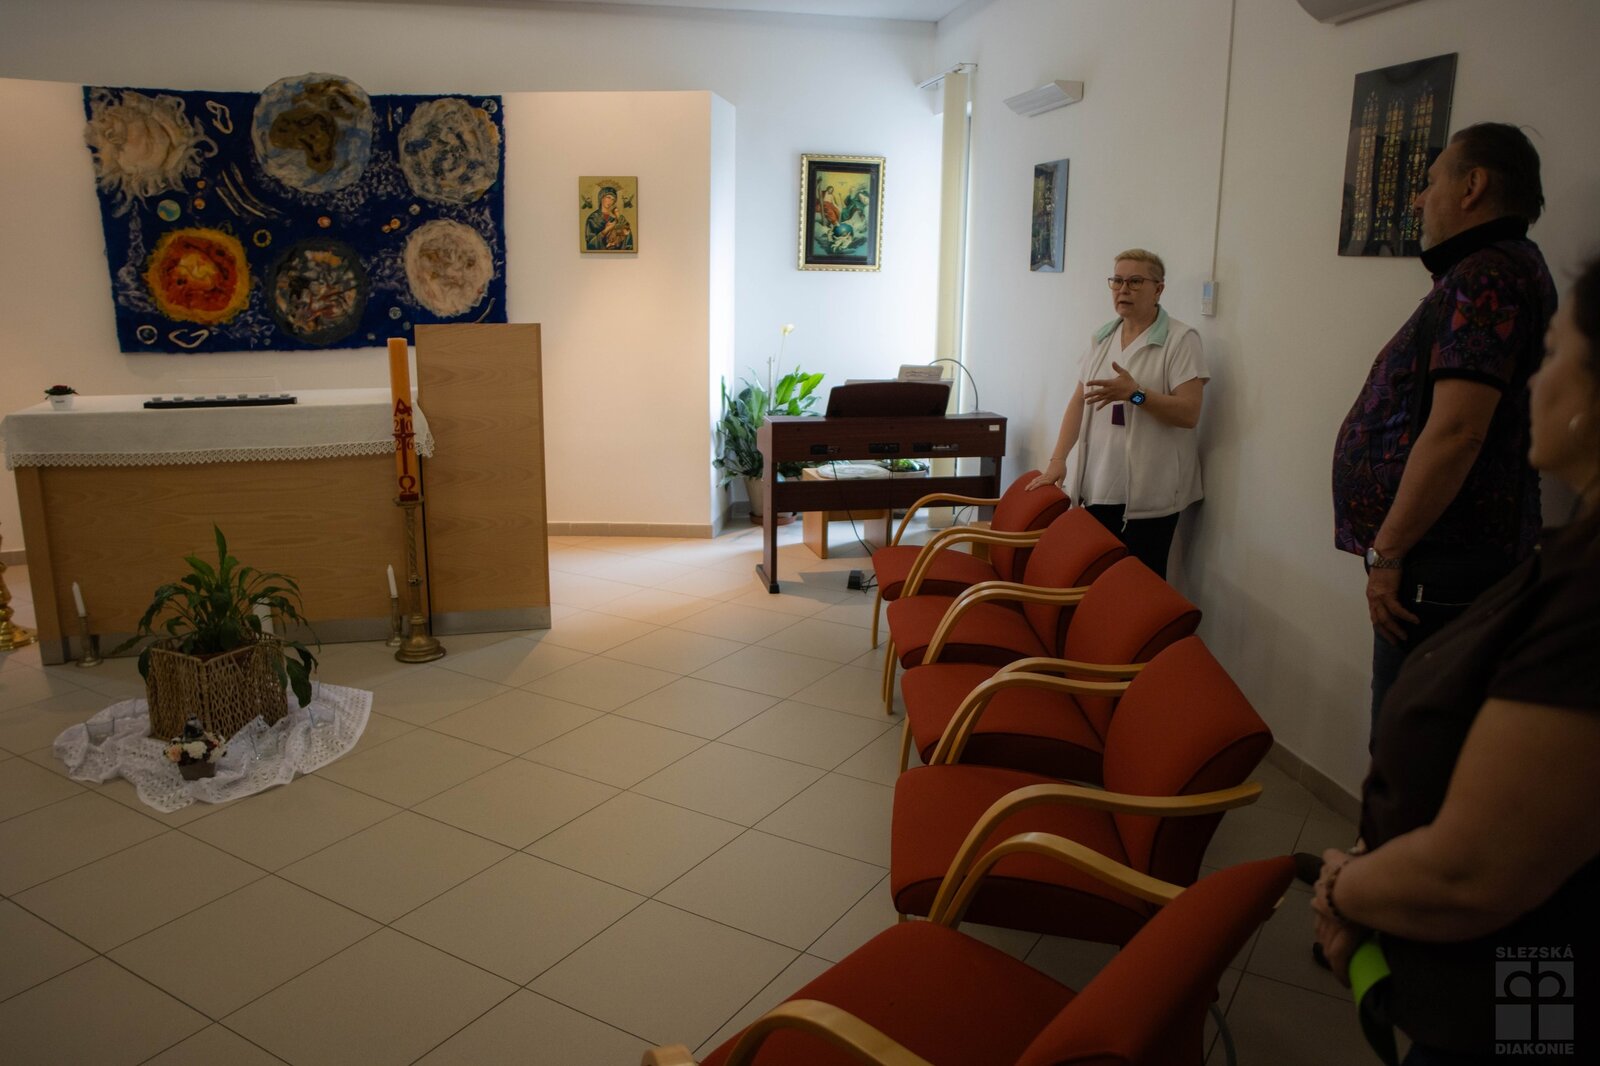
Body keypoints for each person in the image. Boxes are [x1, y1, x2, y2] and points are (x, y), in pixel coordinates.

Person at [1310, 254, 1600, 1064]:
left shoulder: (1587, 606)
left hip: (1522, 991)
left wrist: (1343, 889)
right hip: (1490, 973)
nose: (1532, 381)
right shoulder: (1566, 558)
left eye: (1555, 354)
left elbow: (1473, 873)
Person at [1331, 123, 1557, 746]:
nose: (1418, 199)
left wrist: (1388, 554)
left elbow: (1458, 430)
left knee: (1407, 745)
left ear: (1472, 186)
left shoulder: (1486, 276)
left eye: (1430, 182)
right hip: (1460, 556)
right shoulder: (1505, 267)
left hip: (1445, 563)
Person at [1028, 248, 1207, 578]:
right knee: (1094, 581)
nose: (1123, 289)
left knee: (1139, 585)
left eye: (1135, 281)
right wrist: (1058, 460)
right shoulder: (1103, 337)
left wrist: (1136, 395)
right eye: (1117, 281)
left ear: (1158, 289)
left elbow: (1189, 413)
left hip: (1150, 494)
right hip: (1097, 484)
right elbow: (1079, 401)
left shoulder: (1180, 340)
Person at [584, 186, 632, 251]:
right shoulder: (592, 218)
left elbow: (628, 235)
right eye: (608, 197)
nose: (610, 201)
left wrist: (618, 216)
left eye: (613, 199)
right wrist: (606, 230)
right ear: (601, 198)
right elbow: (590, 244)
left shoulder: (616, 218)